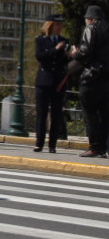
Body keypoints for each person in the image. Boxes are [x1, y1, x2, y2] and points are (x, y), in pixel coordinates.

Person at [67, 5, 109, 158]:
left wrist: (74, 54)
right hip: (106, 79)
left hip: (91, 77)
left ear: (90, 19)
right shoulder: (107, 29)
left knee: (89, 113)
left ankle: (94, 147)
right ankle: (104, 147)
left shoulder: (91, 28)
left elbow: (85, 51)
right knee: (104, 114)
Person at [33, 15, 68, 153]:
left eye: (61, 24)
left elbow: (65, 62)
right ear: (50, 25)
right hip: (43, 81)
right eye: (57, 24)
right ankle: (39, 143)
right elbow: (40, 56)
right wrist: (56, 49)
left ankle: (52, 144)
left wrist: (69, 55)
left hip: (58, 82)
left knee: (56, 114)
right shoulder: (41, 40)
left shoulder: (64, 41)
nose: (60, 27)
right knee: (41, 113)